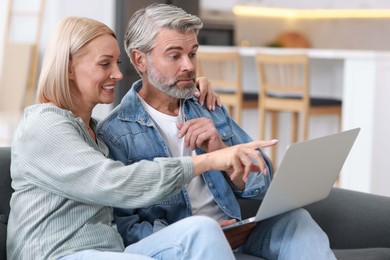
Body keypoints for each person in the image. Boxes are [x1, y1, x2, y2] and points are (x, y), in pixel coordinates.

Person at [6, 16, 273, 260]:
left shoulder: (92, 132)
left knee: (203, 230)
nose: (119, 74)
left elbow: (261, 178)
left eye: (117, 63)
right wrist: (208, 161)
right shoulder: (43, 124)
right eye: (104, 64)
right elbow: (116, 182)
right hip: (58, 255)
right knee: (200, 230)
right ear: (68, 68)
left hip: (111, 252)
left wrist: (188, 85)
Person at [97, 3, 337, 260]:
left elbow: (262, 183)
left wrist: (223, 151)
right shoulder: (115, 133)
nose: (189, 66)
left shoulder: (206, 106)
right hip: (184, 242)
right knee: (203, 233)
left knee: (296, 220)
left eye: (193, 53)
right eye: (175, 56)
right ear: (139, 60)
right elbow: (126, 227)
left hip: (238, 231)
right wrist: (202, 233)